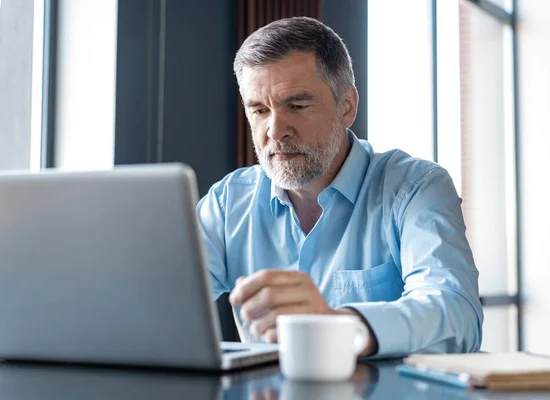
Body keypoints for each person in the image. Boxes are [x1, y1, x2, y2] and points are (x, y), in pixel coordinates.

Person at [197, 16, 483, 357]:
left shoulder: (415, 188)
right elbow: (161, 296)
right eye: (259, 110)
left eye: (297, 106)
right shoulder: (228, 201)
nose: (275, 131)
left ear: (346, 107)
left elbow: (456, 315)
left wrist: (339, 326)